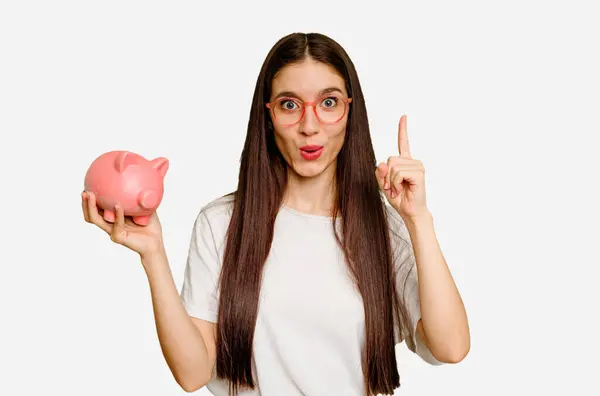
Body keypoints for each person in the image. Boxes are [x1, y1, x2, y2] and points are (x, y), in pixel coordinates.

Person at [81, 32, 470, 396]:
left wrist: (417, 220)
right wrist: (153, 255)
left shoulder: (384, 230)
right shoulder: (222, 223)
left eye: (329, 103)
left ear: (351, 112)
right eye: (289, 105)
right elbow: (192, 373)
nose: (309, 125)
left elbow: (451, 347)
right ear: (267, 115)